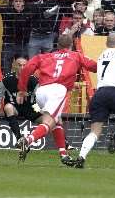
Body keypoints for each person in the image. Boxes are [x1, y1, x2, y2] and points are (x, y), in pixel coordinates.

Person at [16, 34, 97, 163]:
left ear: (57, 45)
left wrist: (22, 90)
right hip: (58, 90)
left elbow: (26, 69)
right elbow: (93, 66)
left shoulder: (44, 56)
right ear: (71, 45)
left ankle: (63, 154)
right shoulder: (76, 55)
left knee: (57, 121)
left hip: (41, 92)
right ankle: (28, 140)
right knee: (50, 121)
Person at [69, 33, 115, 169]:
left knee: (95, 130)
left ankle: (81, 156)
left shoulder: (102, 55)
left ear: (106, 44)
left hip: (100, 93)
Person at [0, 57, 74, 164]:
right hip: (14, 107)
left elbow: (40, 97)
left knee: (53, 119)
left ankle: (65, 143)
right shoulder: (7, 80)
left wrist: (43, 109)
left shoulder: (33, 80)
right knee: (8, 107)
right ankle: (20, 140)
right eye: (19, 65)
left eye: (24, 65)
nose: (22, 68)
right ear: (14, 66)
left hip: (31, 108)